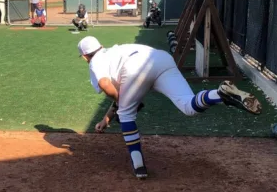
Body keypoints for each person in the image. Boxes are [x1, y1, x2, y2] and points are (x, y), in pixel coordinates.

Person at [77, 36, 262, 179]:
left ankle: (139, 165)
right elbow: (119, 96)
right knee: (188, 105)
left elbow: (104, 84)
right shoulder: (115, 51)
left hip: (135, 68)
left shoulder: (95, 61)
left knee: (126, 115)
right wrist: (106, 119)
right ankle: (219, 94)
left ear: (85, 56)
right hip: (161, 59)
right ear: (99, 46)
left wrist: (124, 103)